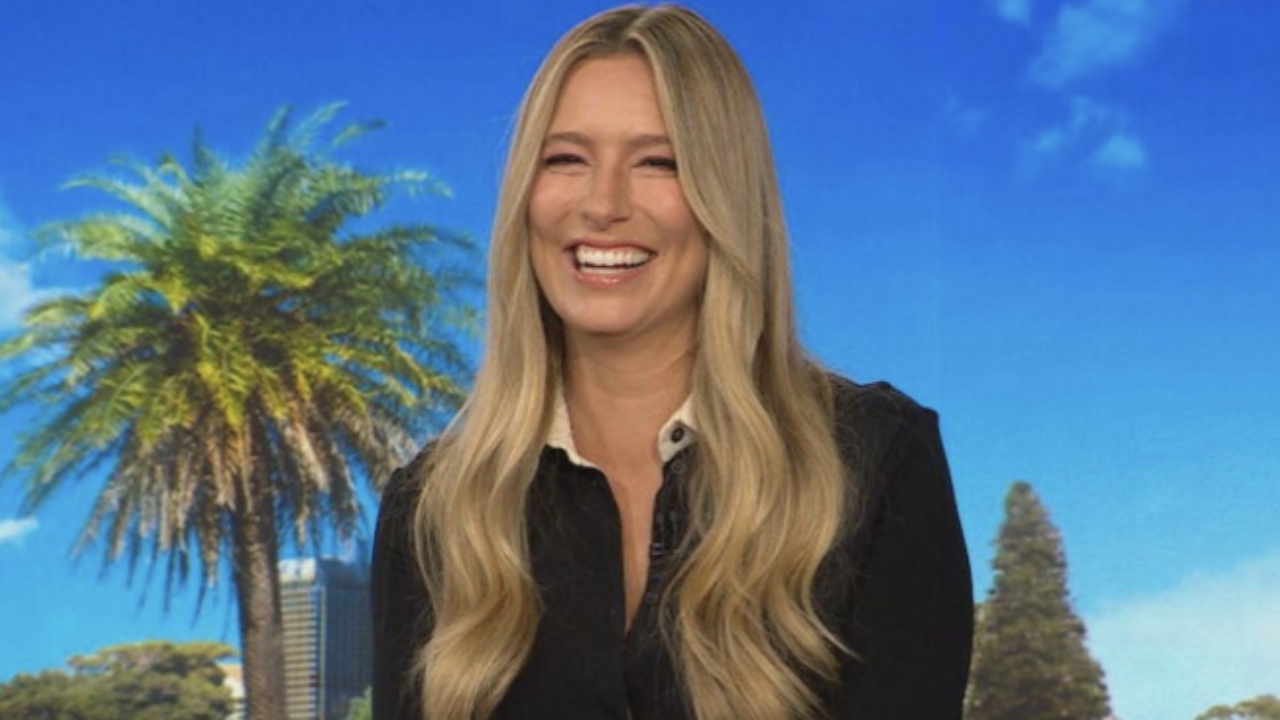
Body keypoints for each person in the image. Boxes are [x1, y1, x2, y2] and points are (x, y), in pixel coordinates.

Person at [371, 5, 972, 719]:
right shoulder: (432, 512)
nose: (603, 205)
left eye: (658, 162)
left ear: (726, 195)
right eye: (566, 159)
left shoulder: (875, 464)